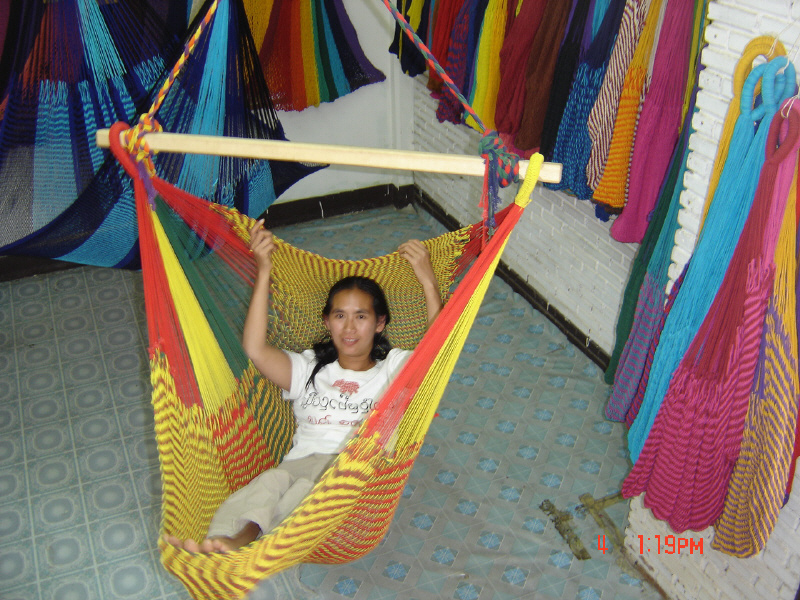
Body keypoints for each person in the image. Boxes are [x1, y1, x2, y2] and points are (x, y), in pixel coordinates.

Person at [164, 219, 443, 553]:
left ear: (379, 323)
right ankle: (232, 541)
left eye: (361, 316)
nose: (349, 328)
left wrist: (428, 281)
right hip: (300, 463)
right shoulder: (309, 368)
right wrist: (263, 269)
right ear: (327, 322)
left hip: (353, 475)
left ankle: (260, 546)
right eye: (339, 316)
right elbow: (255, 349)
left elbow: (437, 354)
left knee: (304, 491)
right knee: (270, 483)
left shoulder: (392, 369)